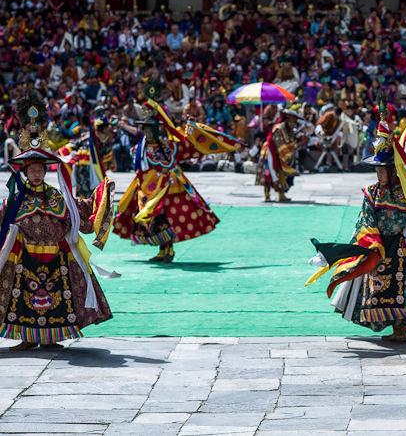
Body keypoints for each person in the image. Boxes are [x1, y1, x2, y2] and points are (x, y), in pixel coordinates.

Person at [306, 108, 406, 342]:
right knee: (374, 287)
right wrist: (370, 240)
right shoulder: (372, 192)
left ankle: (401, 328)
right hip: (378, 246)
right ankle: (388, 324)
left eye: (382, 169)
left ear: (393, 170)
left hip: (403, 246)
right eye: (376, 169)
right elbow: (364, 217)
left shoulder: (405, 192)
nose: (378, 174)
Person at [0, 91, 114, 350]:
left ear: (45, 171)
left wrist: (101, 197)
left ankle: (51, 338)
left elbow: (79, 212)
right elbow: (2, 216)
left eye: (41, 169)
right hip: (26, 258)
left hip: (56, 257)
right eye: (33, 170)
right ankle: (28, 338)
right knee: (23, 297)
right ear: (26, 172)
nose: (37, 173)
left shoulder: (55, 196)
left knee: (58, 298)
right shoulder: (17, 199)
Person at [113, 98, 241, 263]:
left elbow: (188, 147)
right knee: (153, 219)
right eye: (145, 129)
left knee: (166, 218)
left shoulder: (169, 147)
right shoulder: (139, 149)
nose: (147, 133)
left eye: (150, 129)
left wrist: (190, 128)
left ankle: (168, 249)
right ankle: (163, 249)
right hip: (148, 191)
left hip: (169, 189)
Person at [256, 107, 303, 202]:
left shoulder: (288, 130)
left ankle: (281, 194)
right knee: (269, 173)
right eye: (293, 123)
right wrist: (290, 152)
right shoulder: (279, 129)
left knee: (281, 175)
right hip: (271, 152)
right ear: (288, 121)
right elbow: (280, 145)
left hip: (280, 154)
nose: (294, 125)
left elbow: (290, 142)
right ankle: (267, 195)